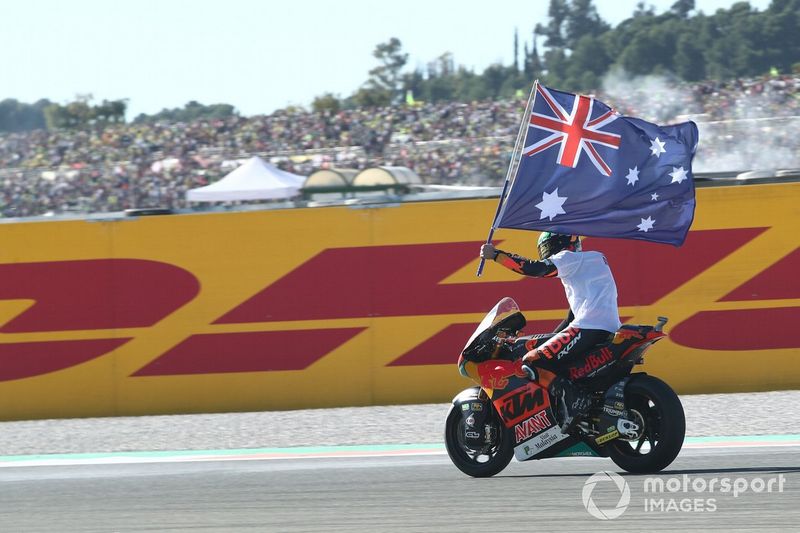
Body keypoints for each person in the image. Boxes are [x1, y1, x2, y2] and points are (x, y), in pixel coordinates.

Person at [479, 232, 621, 433]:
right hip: (606, 328)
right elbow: (572, 319)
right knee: (552, 357)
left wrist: (496, 255)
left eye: (546, 249)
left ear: (556, 244)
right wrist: (548, 339)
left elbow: (537, 269)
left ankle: (572, 400)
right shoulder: (595, 259)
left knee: (529, 361)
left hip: (589, 327)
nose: (546, 254)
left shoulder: (567, 258)